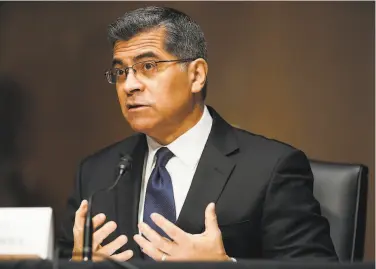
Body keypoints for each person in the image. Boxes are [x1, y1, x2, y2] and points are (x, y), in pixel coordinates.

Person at [58, 6, 338, 262]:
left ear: (196, 75)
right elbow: (58, 257)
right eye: (120, 71)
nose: (129, 85)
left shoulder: (271, 169)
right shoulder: (96, 174)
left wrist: (224, 267)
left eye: (147, 66)